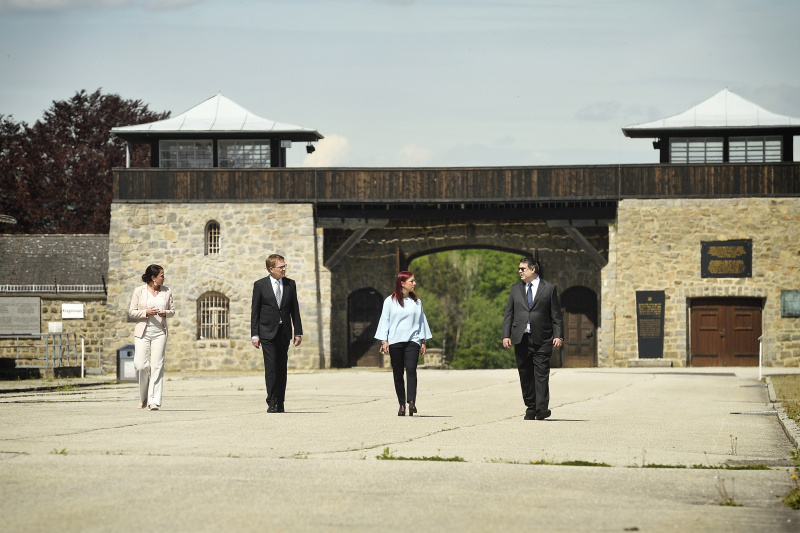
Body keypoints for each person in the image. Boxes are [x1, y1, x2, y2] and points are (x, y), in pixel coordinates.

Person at [502, 257, 563, 421]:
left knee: (541, 373)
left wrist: (558, 335)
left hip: (542, 338)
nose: (520, 271)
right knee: (525, 373)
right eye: (519, 269)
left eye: (522, 269)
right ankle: (531, 407)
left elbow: (556, 315)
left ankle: (542, 408)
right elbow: (509, 314)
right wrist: (506, 335)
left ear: (532, 269)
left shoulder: (549, 288)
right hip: (520, 338)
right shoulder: (515, 289)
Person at [375, 271, 432, 417]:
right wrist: (384, 340)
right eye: (411, 281)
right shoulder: (390, 301)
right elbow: (385, 320)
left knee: (411, 369)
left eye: (414, 281)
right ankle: (401, 404)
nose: (414, 283)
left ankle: (411, 402)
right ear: (402, 283)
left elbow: (421, 321)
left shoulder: (417, 302)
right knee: (398, 374)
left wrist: (423, 340)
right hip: (395, 342)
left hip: (413, 341)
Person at [251, 254, 303, 413]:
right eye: (281, 267)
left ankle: (280, 402)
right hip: (267, 332)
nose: (284, 269)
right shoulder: (260, 285)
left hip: (284, 332)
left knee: (281, 367)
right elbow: (255, 311)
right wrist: (255, 334)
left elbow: (294, 309)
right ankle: (272, 401)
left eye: (284, 266)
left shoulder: (290, 284)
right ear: (271, 269)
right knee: (271, 368)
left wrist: (298, 332)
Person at [128, 264, 175, 411]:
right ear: (153, 278)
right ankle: (144, 395)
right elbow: (131, 312)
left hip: (160, 332)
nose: (164, 278)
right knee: (140, 365)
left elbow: (172, 310)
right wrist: (145, 312)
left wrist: (166, 313)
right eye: (161, 275)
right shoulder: (139, 291)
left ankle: (153, 401)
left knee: (157, 366)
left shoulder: (167, 291)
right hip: (143, 332)